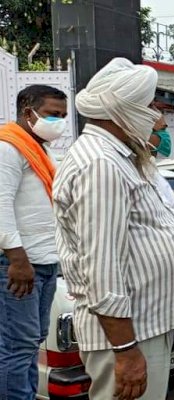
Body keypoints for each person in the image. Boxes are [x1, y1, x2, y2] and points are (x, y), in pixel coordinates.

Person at [52, 58, 174, 400]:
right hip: (126, 335)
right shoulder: (100, 165)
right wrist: (125, 350)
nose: (159, 119)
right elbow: (101, 270)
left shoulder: (118, 158)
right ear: (123, 111)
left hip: (143, 326)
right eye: (150, 107)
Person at [0, 85, 67, 400]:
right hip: (19, 265)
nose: (60, 122)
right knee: (17, 345)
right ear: (29, 112)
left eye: (64, 116)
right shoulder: (8, 148)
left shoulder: (39, 150)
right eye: (54, 114)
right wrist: (17, 260)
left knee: (31, 341)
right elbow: (0, 206)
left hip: (43, 263)